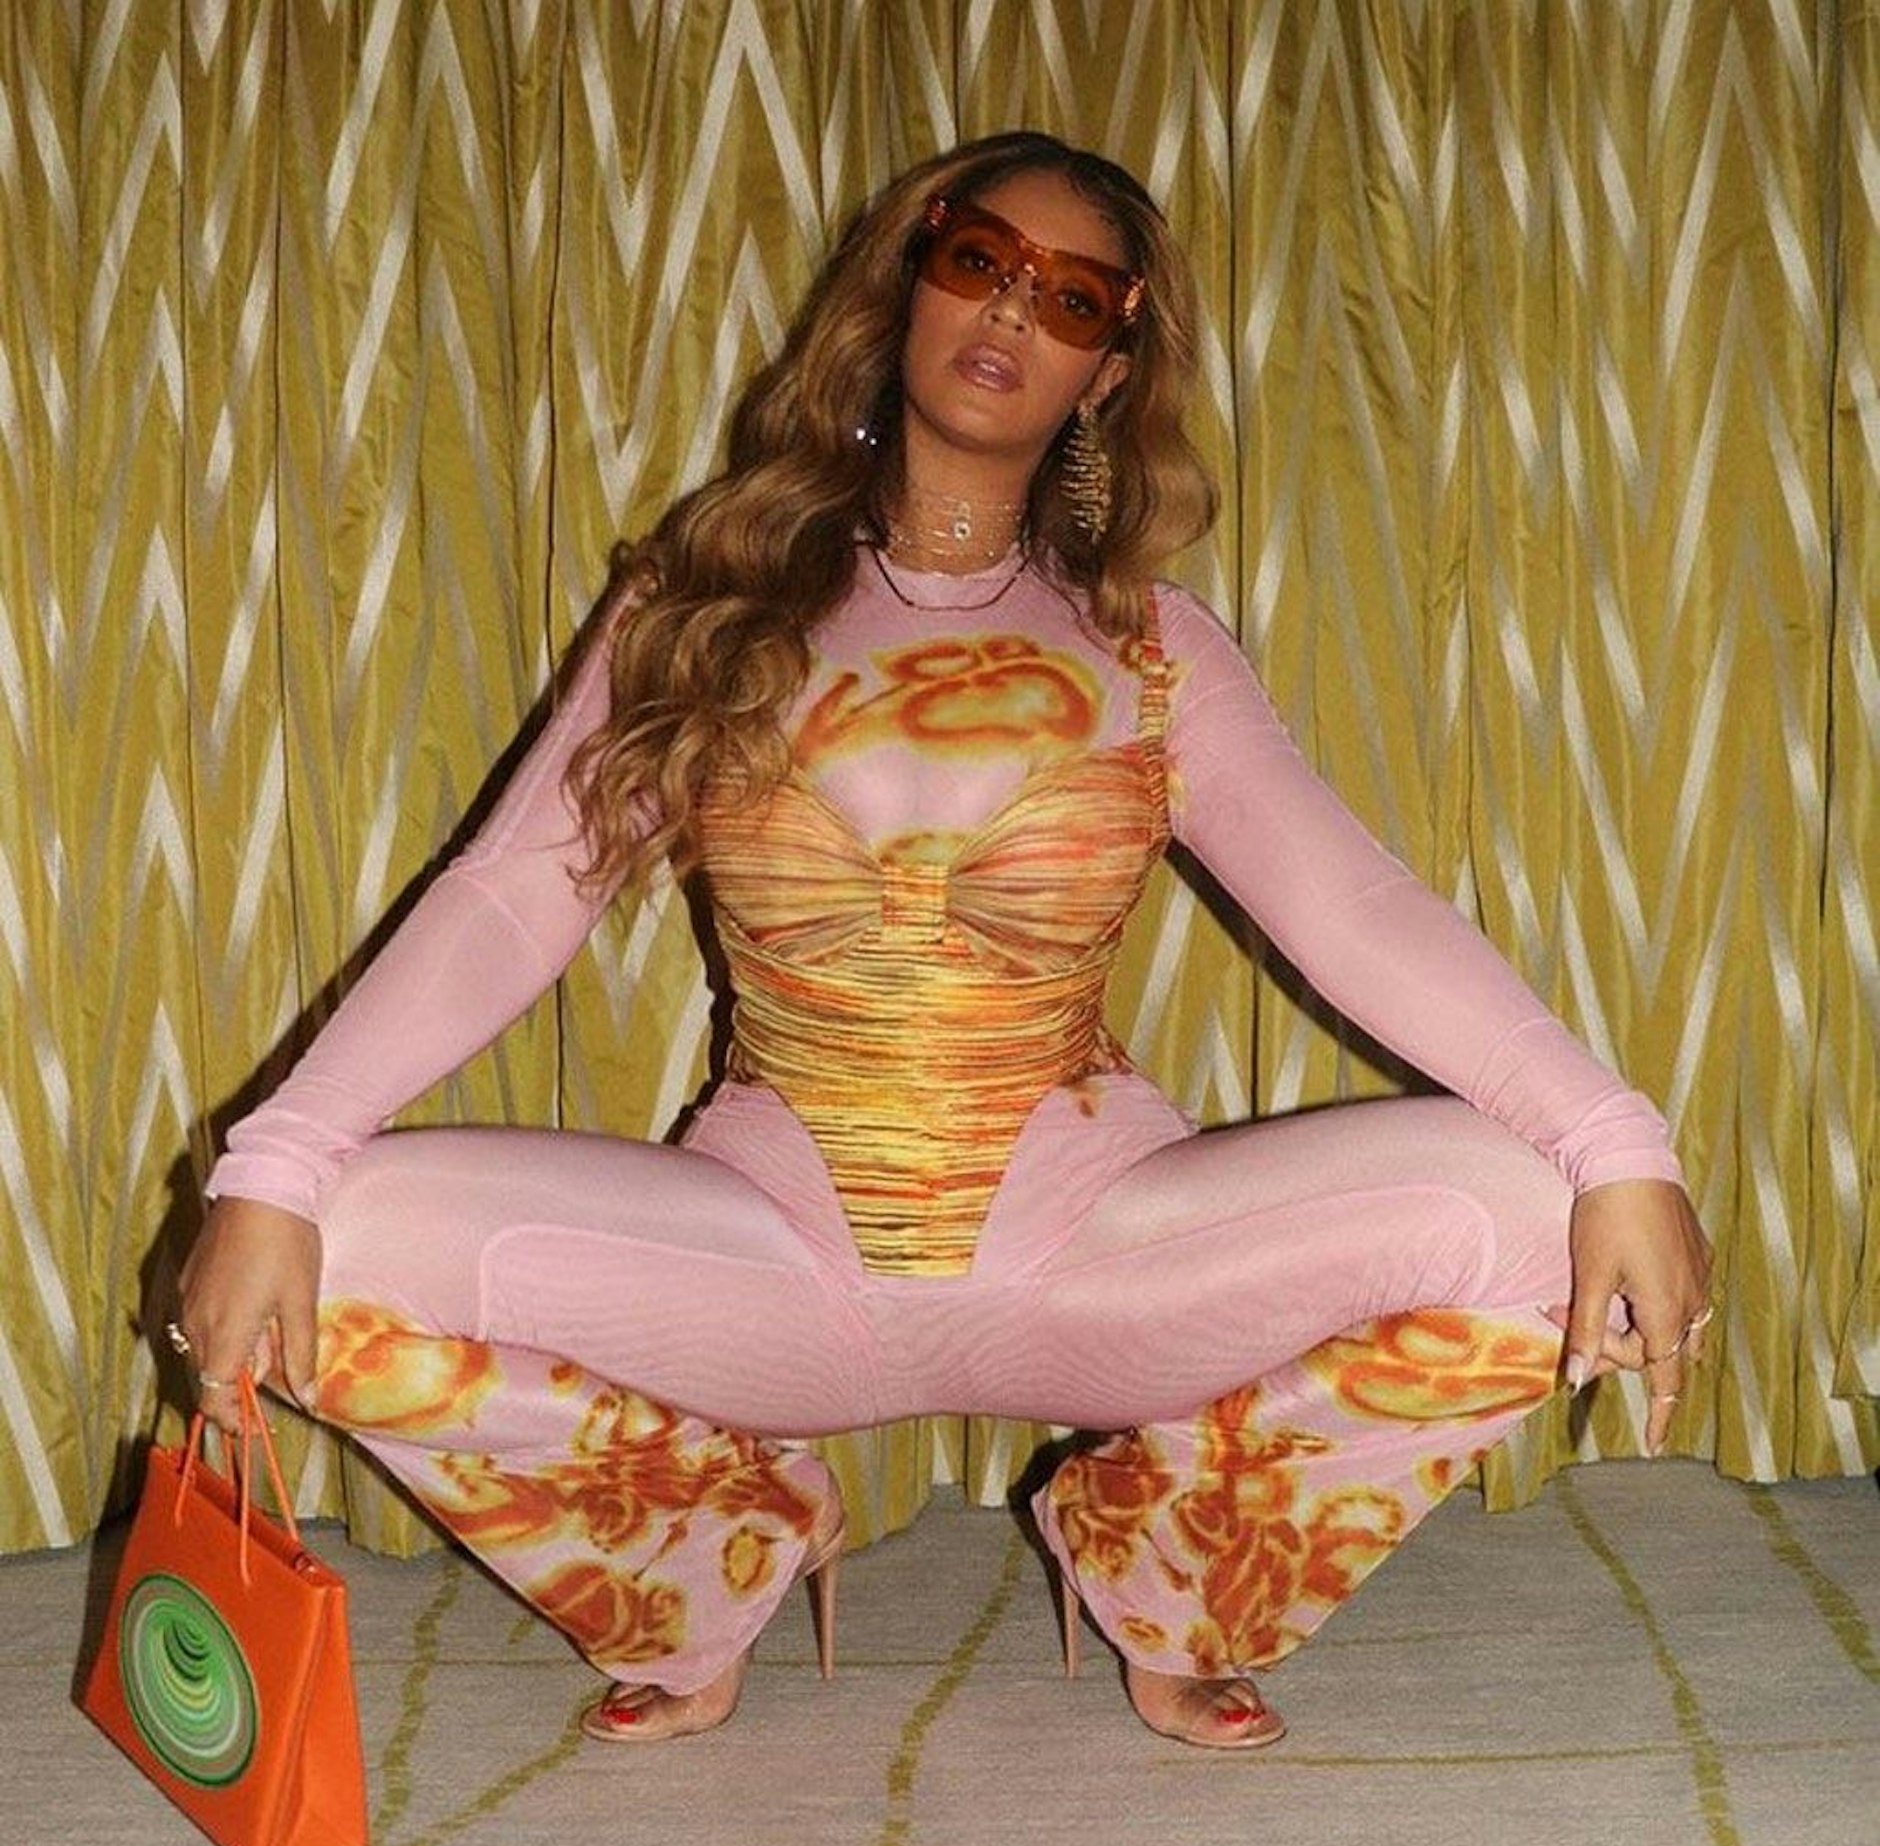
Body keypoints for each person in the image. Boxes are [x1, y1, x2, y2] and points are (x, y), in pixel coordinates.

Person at [174, 130, 1713, 1750]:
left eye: (1072, 297)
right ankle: (710, 1550)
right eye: (982, 261)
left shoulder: (1157, 651)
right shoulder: (703, 605)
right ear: (909, 280)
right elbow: (511, 897)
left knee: (1540, 1208)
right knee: (320, 1237)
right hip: (776, 1257)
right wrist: (274, 1165)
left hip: (1099, 1253)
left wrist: (1618, 1141)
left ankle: (1172, 1561)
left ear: (1108, 369)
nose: (1014, 311)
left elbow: (1353, 912)